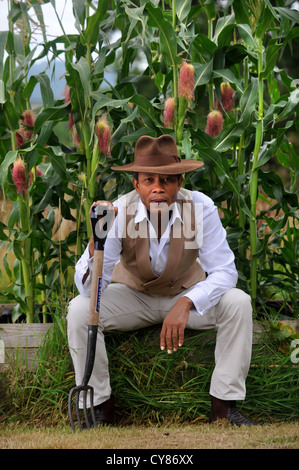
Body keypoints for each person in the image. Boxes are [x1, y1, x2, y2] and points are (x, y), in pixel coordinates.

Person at [67, 134, 257, 427]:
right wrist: (97, 243)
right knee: (79, 310)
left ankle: (224, 407)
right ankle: (100, 408)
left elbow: (226, 271)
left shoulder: (200, 208)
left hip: (186, 294)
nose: (158, 188)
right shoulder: (119, 211)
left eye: (167, 180)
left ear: (179, 182)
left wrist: (187, 302)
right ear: (136, 184)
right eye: (148, 180)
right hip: (136, 297)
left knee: (238, 302)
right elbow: (92, 289)